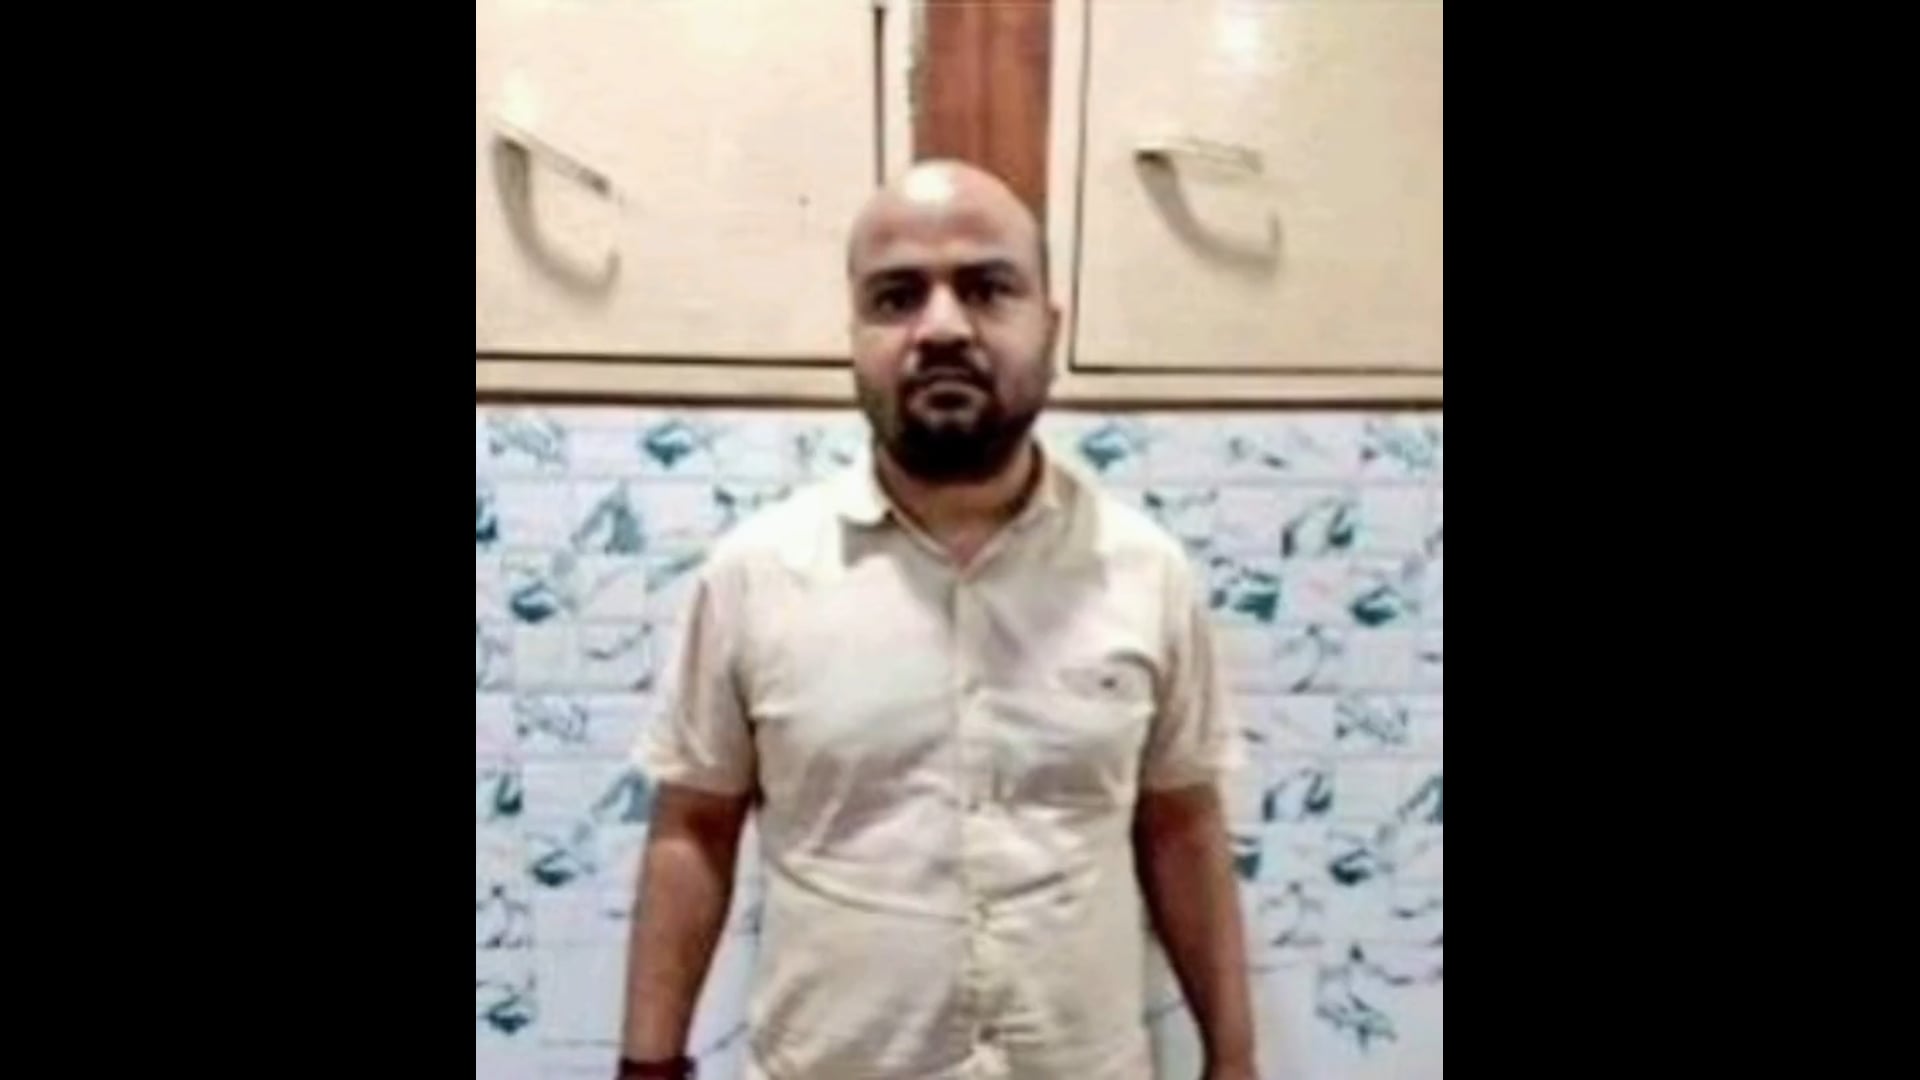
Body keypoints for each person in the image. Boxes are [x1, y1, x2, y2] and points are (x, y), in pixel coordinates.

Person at [616, 160, 1256, 1080]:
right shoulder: (754, 577)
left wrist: (1234, 1061)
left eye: (989, 288)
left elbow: (1182, 825)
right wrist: (647, 1069)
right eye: (897, 296)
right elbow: (694, 829)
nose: (944, 327)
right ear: (854, 334)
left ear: (1051, 325)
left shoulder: (1147, 573)